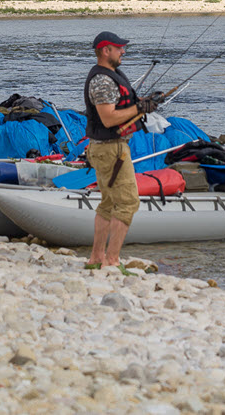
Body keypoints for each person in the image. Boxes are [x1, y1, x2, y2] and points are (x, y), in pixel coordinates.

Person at [83, 30, 161, 273]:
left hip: (107, 148)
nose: (123, 51)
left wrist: (144, 104)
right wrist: (138, 107)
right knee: (127, 203)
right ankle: (112, 260)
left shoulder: (111, 75)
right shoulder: (103, 81)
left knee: (108, 203)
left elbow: (123, 110)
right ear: (106, 51)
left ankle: (96, 258)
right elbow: (108, 119)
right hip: (111, 150)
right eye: (119, 48)